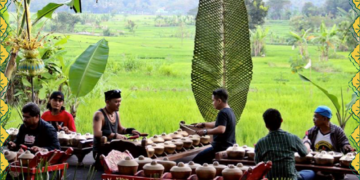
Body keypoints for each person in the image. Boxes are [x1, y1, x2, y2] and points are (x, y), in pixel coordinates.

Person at [255, 108, 315, 180]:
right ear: (281, 120)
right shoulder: (292, 138)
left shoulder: (260, 143)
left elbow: (258, 165)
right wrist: (307, 142)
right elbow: (304, 152)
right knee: (311, 172)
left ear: (266, 125)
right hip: (290, 178)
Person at [92, 89, 140, 168]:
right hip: (102, 150)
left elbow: (120, 129)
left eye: (120, 101)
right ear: (107, 102)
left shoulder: (116, 113)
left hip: (114, 148)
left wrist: (130, 130)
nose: (119, 104)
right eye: (116, 102)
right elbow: (97, 133)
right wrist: (114, 135)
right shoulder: (99, 115)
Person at [303, 106, 353, 180]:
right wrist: (306, 142)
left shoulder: (337, 131)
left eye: (316, 117)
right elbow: (305, 139)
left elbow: (344, 142)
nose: (313, 119)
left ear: (325, 119)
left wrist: (346, 147)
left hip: (333, 167)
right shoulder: (312, 131)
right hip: (317, 165)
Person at [192, 88, 236, 164]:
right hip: (229, 146)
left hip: (220, 148)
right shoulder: (229, 111)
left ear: (219, 101)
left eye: (213, 101)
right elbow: (219, 123)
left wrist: (205, 132)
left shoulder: (222, 113)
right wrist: (204, 124)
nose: (213, 103)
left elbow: (221, 129)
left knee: (195, 162)